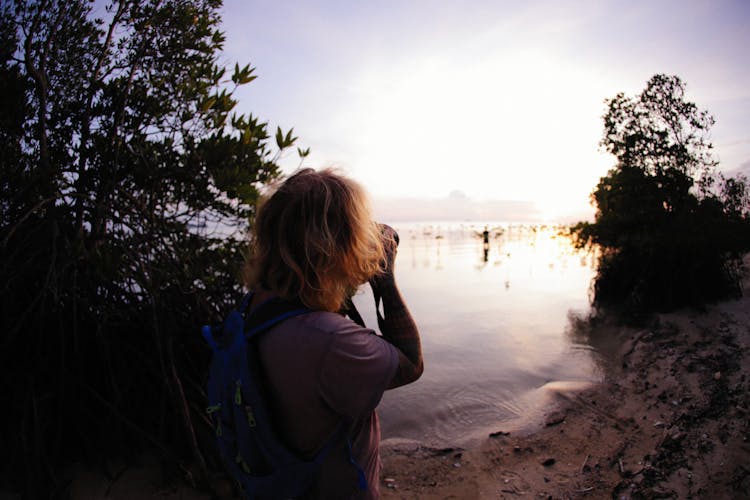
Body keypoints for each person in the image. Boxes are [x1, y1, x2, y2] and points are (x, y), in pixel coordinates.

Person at [242, 168, 423, 499]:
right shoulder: (329, 340)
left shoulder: (258, 306)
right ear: (333, 244)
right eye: (357, 230)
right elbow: (411, 363)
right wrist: (385, 278)